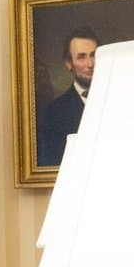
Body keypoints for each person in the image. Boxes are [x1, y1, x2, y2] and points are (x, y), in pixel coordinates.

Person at [35, 28, 99, 168]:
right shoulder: (53, 112)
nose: (90, 64)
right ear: (69, 64)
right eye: (82, 57)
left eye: (94, 55)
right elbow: (50, 162)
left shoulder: (119, 102)